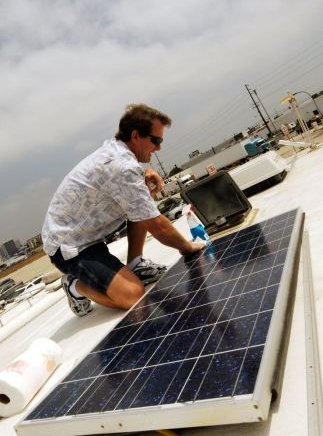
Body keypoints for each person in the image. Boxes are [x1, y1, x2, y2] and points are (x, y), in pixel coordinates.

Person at [42, 103, 207, 317]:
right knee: (132, 295)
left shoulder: (117, 152)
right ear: (136, 136)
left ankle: (135, 263)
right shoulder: (121, 165)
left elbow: (121, 183)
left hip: (85, 235)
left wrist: (144, 175)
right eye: (156, 141)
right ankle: (74, 286)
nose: (158, 148)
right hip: (69, 246)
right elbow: (157, 226)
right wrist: (187, 247)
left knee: (140, 198)